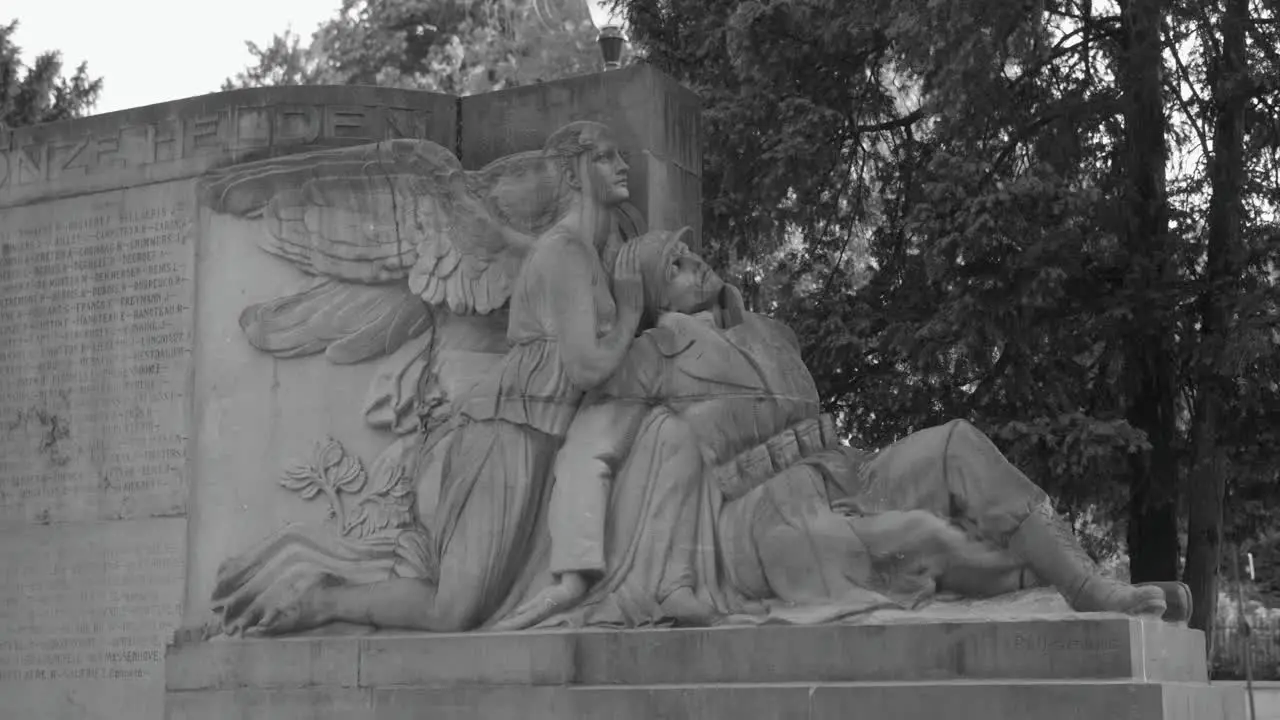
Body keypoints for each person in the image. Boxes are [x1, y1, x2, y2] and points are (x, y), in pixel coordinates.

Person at [507, 230, 1184, 630]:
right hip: (766, 514)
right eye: (674, 266)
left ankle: (1087, 588)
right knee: (916, 542)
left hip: (844, 470)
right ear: (654, 297)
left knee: (955, 441)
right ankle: (1032, 592)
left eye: (691, 252)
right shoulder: (651, 355)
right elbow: (585, 415)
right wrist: (624, 313)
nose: (695, 264)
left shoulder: (771, 333)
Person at [246, 121, 645, 634]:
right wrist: (632, 314)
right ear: (573, 172)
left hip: (540, 437)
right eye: (607, 157)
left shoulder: (571, 250)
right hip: (506, 438)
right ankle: (323, 603)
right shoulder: (566, 253)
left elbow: (518, 251)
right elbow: (586, 366)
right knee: (451, 611)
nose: (623, 166)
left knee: (480, 605)